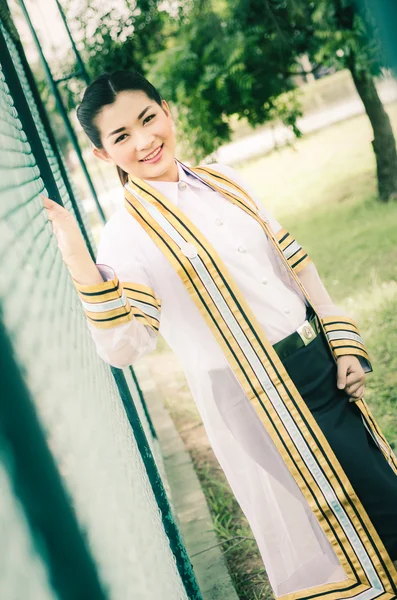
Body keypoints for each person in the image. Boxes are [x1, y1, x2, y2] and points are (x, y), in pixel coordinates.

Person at [42, 70, 397, 599]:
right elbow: (124, 347)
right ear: (102, 156)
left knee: (378, 499)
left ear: (168, 111)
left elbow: (295, 267)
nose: (143, 141)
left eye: (147, 118)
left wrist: (341, 342)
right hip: (256, 397)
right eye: (120, 137)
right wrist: (77, 258)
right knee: (362, 521)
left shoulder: (225, 180)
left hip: (318, 362)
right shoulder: (123, 236)